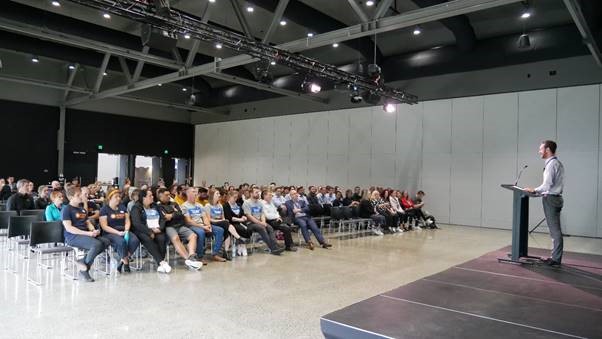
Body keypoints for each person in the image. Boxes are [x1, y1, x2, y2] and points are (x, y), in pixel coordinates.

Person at [525, 140, 565, 267]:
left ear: (547, 150)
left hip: (551, 199)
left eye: (541, 149)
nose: (539, 151)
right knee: (555, 230)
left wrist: (534, 190)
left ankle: (556, 259)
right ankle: (555, 257)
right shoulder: (557, 163)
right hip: (555, 198)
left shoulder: (551, 164)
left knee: (555, 231)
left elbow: (547, 185)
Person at [61, 185, 110, 282]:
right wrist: (87, 234)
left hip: (84, 234)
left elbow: (87, 222)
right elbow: (69, 228)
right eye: (77, 195)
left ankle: (83, 262)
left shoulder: (82, 209)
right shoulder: (66, 209)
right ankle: (85, 270)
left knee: (106, 241)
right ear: (71, 197)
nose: (81, 197)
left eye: (80, 195)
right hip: (73, 237)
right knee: (97, 244)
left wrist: (93, 230)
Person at [156, 188, 203, 270]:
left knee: (193, 236)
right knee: (175, 238)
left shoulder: (174, 203)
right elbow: (164, 217)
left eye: (169, 194)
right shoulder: (158, 206)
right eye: (166, 195)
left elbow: (181, 214)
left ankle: (191, 256)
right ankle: (188, 259)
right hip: (169, 226)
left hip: (180, 225)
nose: (169, 196)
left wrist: (171, 215)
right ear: (160, 197)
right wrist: (174, 213)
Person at [130, 189, 172, 273]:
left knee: (162, 238)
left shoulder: (155, 206)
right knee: (147, 238)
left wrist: (159, 228)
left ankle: (160, 263)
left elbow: (162, 219)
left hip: (157, 229)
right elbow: (137, 224)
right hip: (142, 230)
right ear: (143, 198)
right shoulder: (136, 207)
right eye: (150, 196)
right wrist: (150, 231)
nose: (152, 197)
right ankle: (162, 262)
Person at [181, 187, 226, 263]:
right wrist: (203, 227)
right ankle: (199, 256)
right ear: (188, 194)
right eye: (193, 192)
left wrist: (208, 225)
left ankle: (215, 254)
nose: (196, 194)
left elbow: (205, 217)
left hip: (202, 225)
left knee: (220, 230)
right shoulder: (184, 206)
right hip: (192, 226)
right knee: (201, 232)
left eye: (196, 192)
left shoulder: (200, 205)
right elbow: (188, 221)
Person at [99, 190, 140, 273]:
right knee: (121, 242)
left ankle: (122, 260)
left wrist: (126, 230)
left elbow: (127, 221)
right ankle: (126, 263)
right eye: (116, 197)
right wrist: (117, 233)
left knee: (135, 240)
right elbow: (104, 226)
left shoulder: (122, 207)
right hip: (110, 232)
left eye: (119, 197)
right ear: (110, 198)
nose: (118, 198)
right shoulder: (104, 209)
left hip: (123, 230)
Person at [242, 188, 284, 255]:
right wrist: (260, 223)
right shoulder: (246, 203)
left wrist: (263, 222)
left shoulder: (259, 202)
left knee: (270, 228)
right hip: (250, 223)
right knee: (261, 228)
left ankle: (275, 246)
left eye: (258, 192)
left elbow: (262, 214)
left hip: (260, 222)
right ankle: (273, 248)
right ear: (251, 194)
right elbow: (249, 216)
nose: (258, 194)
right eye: (256, 192)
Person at [223, 190, 251, 256]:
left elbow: (242, 214)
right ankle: (242, 245)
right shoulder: (226, 205)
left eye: (236, 197)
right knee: (241, 229)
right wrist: (240, 219)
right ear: (229, 197)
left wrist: (244, 217)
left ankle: (241, 245)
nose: (235, 199)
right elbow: (229, 218)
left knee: (248, 229)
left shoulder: (238, 204)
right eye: (234, 197)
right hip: (231, 223)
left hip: (240, 222)